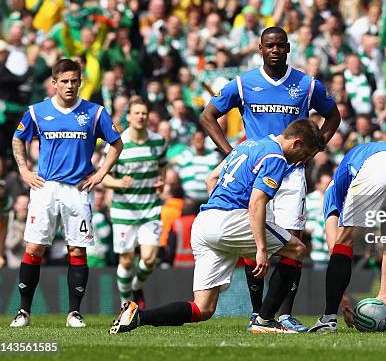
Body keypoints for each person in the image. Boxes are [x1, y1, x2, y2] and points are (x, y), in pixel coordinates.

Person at [109, 119, 326, 335]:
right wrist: (261, 248)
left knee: (203, 308)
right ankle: (265, 319)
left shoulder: (247, 145)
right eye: (306, 154)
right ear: (296, 142)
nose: (303, 160)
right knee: (297, 249)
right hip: (229, 219)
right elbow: (256, 202)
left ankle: (137, 316)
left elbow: (210, 177)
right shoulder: (276, 156)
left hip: (205, 222)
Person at [200, 26, 340, 332]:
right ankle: (258, 313)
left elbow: (334, 116)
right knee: (255, 240)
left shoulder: (306, 84)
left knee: (292, 241)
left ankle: (283, 314)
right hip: (256, 172)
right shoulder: (243, 83)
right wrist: (231, 153)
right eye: (269, 46)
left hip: (291, 175)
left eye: (280, 45)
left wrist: (314, 150)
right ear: (260, 49)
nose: (275, 50)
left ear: (288, 48)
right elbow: (207, 115)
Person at [10, 59, 123, 328]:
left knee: (77, 248)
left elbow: (117, 144)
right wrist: (25, 171)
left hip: (77, 189)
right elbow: (18, 139)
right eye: (64, 81)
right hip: (45, 188)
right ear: (54, 83)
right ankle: (23, 311)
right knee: (35, 247)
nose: (70, 86)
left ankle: (74, 313)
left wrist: (100, 174)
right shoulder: (37, 112)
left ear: (80, 81)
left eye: (74, 81)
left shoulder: (94, 112)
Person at [309, 142, 386, 333]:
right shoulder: (355, 164)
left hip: (376, 167)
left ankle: (328, 319)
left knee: (344, 242)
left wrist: (343, 300)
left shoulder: (332, 189)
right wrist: (383, 294)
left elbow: (335, 248)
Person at [101, 96, 167, 309]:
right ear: (128, 116)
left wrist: (161, 182)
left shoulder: (158, 141)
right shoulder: (118, 144)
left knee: (148, 259)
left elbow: (162, 166)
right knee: (127, 260)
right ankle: (125, 303)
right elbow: (104, 176)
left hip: (150, 209)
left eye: (144, 113)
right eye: (136, 113)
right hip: (124, 210)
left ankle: (136, 287)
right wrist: (119, 183)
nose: (141, 116)